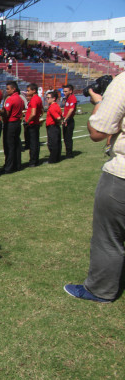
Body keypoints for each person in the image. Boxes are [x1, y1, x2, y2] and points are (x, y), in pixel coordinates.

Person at [64, 72, 125, 303]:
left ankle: (100, 289)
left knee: (108, 238)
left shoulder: (123, 83)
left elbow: (97, 132)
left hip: (121, 177)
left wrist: (100, 102)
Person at [1, 81, 24, 173]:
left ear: (13, 89)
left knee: (9, 146)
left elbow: (6, 113)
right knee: (16, 144)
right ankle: (17, 164)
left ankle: (9, 167)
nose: (6, 91)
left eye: (8, 89)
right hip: (17, 123)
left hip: (10, 123)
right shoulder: (20, 99)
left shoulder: (10, 99)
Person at [24, 83, 43, 167]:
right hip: (35, 123)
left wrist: (27, 121)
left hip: (32, 124)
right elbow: (41, 111)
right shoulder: (38, 99)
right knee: (35, 143)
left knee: (33, 144)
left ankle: (33, 161)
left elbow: (33, 113)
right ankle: (35, 160)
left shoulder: (34, 99)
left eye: (28, 90)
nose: (27, 92)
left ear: (34, 90)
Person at [45, 90, 63, 164]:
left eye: (48, 98)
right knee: (57, 143)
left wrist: (60, 120)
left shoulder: (52, 107)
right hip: (55, 126)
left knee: (52, 143)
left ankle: (52, 159)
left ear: (54, 98)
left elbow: (58, 117)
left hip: (52, 127)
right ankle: (57, 158)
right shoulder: (57, 106)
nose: (47, 99)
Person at [62, 84, 77, 158]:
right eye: (63, 91)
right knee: (65, 137)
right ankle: (68, 152)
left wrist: (65, 119)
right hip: (66, 119)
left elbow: (71, 109)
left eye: (65, 91)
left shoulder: (72, 98)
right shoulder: (67, 98)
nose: (64, 93)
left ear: (70, 91)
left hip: (69, 120)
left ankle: (69, 154)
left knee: (68, 138)